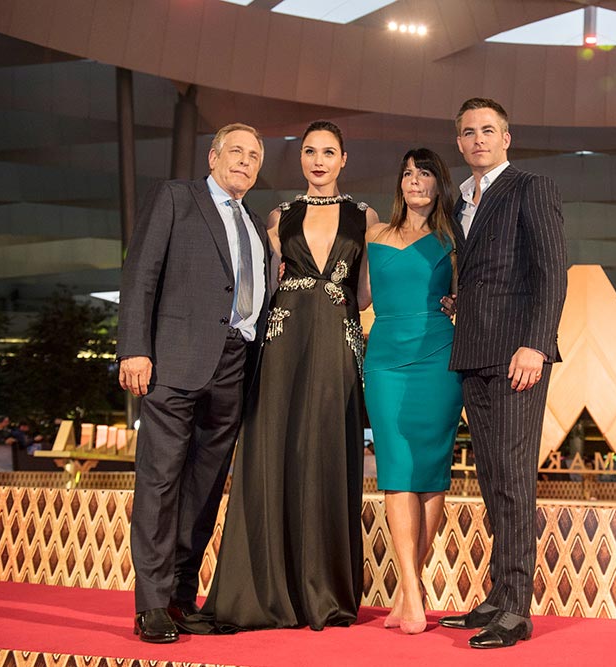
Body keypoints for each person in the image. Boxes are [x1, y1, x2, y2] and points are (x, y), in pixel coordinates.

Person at [200, 120, 377, 632]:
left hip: (338, 341)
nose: (318, 161)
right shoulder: (279, 216)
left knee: (328, 453)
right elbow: (261, 283)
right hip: (283, 342)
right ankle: (265, 593)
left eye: (328, 152)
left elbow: (366, 294)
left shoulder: (365, 217)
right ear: (300, 158)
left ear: (344, 159)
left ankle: (325, 593)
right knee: (274, 453)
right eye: (309, 152)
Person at [117, 123, 270, 644]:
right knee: (160, 482)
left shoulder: (253, 223)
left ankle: (181, 598)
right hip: (174, 363)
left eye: (254, 156)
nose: (244, 161)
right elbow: (140, 273)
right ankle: (152, 605)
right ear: (213, 156)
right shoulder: (176, 197)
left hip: (234, 366)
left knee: (204, 489)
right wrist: (134, 348)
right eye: (236, 151)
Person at [437, 98, 567, 649]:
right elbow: (484, 274)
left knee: (513, 480)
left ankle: (516, 610)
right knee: (492, 479)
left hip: (518, 356)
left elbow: (552, 271)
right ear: (459, 142)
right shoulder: (459, 201)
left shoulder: (530, 187)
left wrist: (536, 344)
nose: (478, 140)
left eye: (488, 130)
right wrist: (459, 301)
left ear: (506, 138)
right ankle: (498, 596)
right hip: (473, 351)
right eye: (469, 132)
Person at [363, 148, 463, 635]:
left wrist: (460, 302)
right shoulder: (373, 235)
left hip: (438, 357)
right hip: (384, 359)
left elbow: (471, 292)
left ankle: (409, 592)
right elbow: (359, 296)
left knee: (430, 474)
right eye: (407, 173)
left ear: (438, 183)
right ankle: (412, 590)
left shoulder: (453, 239)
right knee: (397, 470)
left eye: (424, 173)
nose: (415, 181)